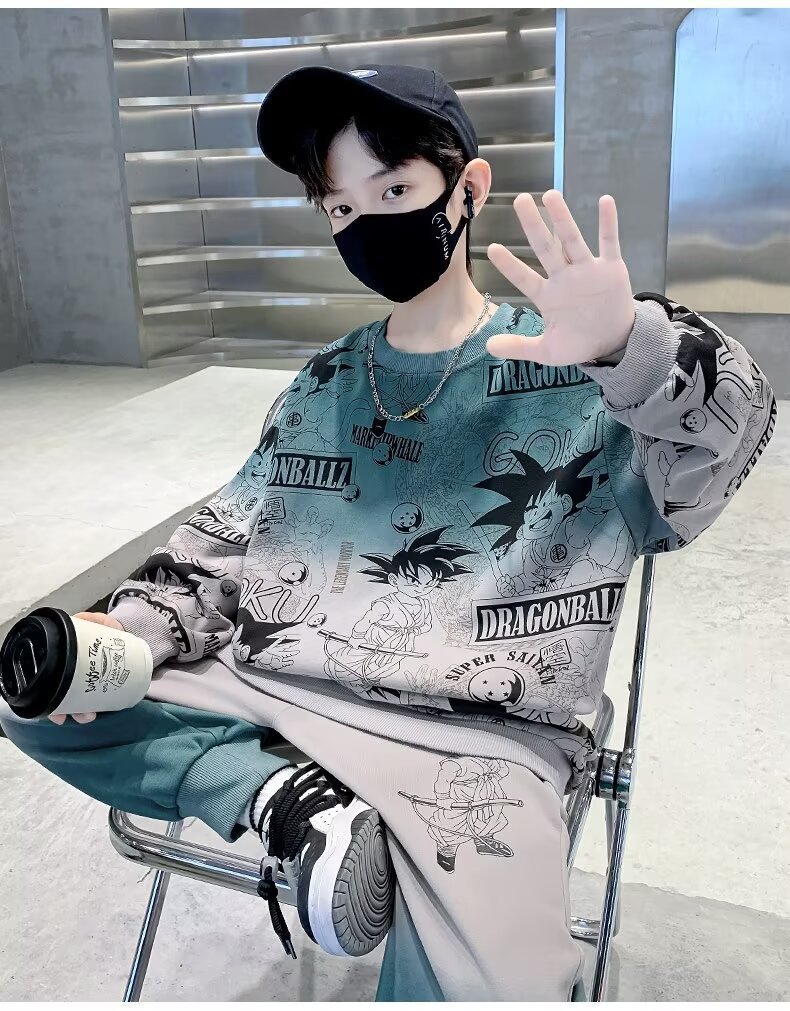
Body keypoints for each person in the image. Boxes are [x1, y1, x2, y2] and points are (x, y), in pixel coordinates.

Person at [1, 64, 777, 1000]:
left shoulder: (572, 368)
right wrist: (128, 630)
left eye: (396, 191)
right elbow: (222, 540)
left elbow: (721, 451)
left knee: (491, 990)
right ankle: (286, 802)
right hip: (276, 694)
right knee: (45, 695)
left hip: (476, 741)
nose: (367, 224)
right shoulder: (325, 380)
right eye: (341, 207)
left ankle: (314, 817)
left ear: (468, 189)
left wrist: (631, 350)